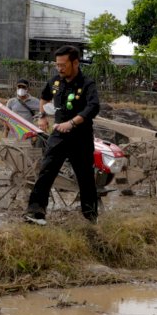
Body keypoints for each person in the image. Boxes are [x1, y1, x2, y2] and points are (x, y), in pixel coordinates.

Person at [25, 45, 100, 225]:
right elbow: (44, 97)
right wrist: (42, 116)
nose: (59, 68)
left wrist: (72, 122)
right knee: (46, 171)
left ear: (75, 63)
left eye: (63, 65)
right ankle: (36, 213)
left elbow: (93, 107)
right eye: (57, 65)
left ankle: (90, 217)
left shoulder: (87, 84)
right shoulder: (55, 82)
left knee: (85, 178)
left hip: (80, 137)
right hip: (58, 135)